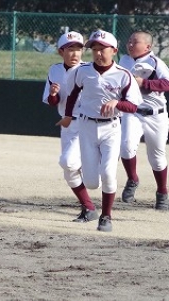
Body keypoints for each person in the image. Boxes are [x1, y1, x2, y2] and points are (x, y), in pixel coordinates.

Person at [58, 30, 142, 232]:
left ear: (114, 51)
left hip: (111, 128)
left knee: (108, 174)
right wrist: (68, 115)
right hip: (86, 127)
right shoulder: (83, 71)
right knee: (91, 182)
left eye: (102, 49)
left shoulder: (123, 74)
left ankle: (106, 216)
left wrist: (117, 103)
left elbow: (133, 106)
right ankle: (92, 207)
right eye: (94, 49)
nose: (98, 53)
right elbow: (72, 95)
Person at [42, 31, 98, 222]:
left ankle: (95, 162)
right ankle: (89, 208)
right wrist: (53, 94)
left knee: (68, 162)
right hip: (67, 125)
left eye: (78, 49)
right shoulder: (55, 70)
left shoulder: (90, 70)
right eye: (70, 49)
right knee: (69, 172)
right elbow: (52, 102)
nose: (75, 53)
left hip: (86, 123)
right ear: (61, 52)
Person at [118, 31, 169, 210]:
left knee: (157, 157)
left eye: (135, 42)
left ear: (147, 46)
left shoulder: (155, 62)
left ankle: (162, 192)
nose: (130, 44)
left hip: (156, 115)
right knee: (126, 147)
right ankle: (133, 179)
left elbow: (167, 83)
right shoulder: (124, 61)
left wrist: (145, 83)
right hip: (133, 112)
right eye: (129, 41)